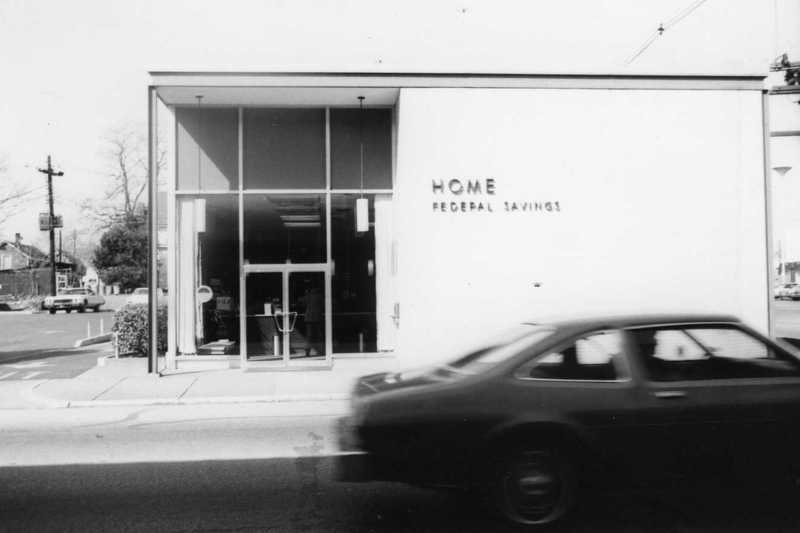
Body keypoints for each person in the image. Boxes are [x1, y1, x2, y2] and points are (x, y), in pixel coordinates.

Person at [304, 287, 324, 356]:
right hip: (317, 317)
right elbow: (323, 305)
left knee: (309, 336)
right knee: (318, 335)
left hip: (309, 318)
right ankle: (320, 351)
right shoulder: (319, 296)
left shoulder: (308, 296)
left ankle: (307, 351)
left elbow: (303, 304)